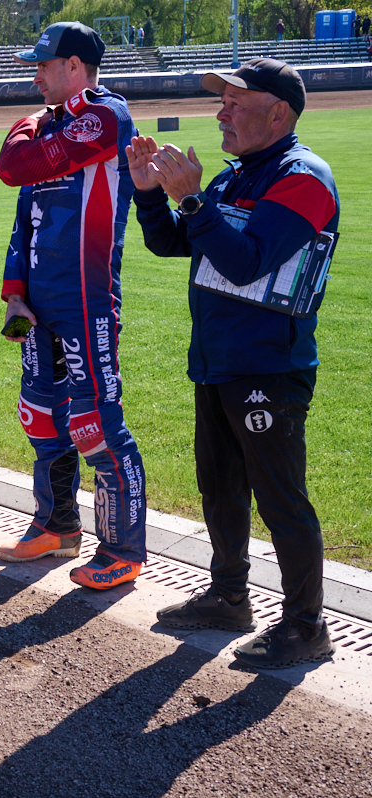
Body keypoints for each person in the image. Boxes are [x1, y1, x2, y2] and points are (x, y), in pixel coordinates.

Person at [130, 59, 339, 668]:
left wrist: (194, 199)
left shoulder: (303, 178)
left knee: (281, 498)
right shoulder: (236, 176)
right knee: (220, 489)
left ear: (278, 113)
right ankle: (228, 598)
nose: (221, 113)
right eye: (221, 102)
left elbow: (245, 262)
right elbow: (172, 241)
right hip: (217, 362)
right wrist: (150, 192)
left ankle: (306, 626)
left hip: (268, 368)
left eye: (235, 103)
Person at [0, 22, 146, 589]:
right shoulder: (51, 124)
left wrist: (29, 127)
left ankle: (122, 549)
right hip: (39, 301)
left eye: (43, 65)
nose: (35, 76)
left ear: (75, 66)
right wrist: (14, 293)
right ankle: (57, 526)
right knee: (40, 416)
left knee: (95, 423)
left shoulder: (105, 115)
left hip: (87, 295)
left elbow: (13, 166)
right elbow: (23, 219)